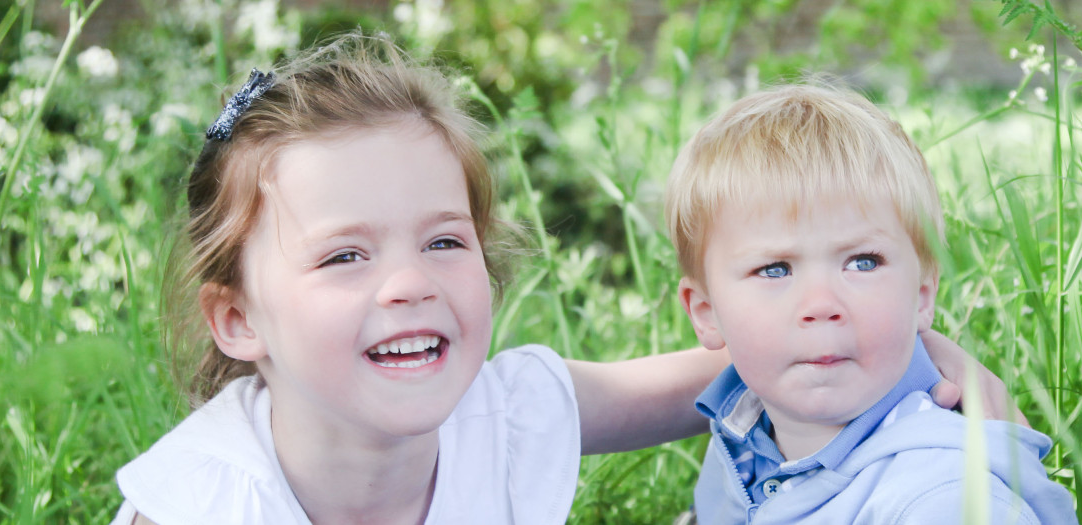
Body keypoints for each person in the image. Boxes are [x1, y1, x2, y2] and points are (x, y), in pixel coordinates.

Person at [112, 36, 1017, 524]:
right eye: (345, 255)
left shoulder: (499, 417)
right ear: (236, 317)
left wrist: (942, 375)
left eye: (442, 242)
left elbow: (746, 354)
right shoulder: (206, 503)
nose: (407, 284)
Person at [667, 83, 1076, 523]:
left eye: (862, 262)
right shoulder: (745, 435)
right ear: (706, 313)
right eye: (775, 269)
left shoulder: (943, 498)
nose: (821, 304)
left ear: (922, 294)